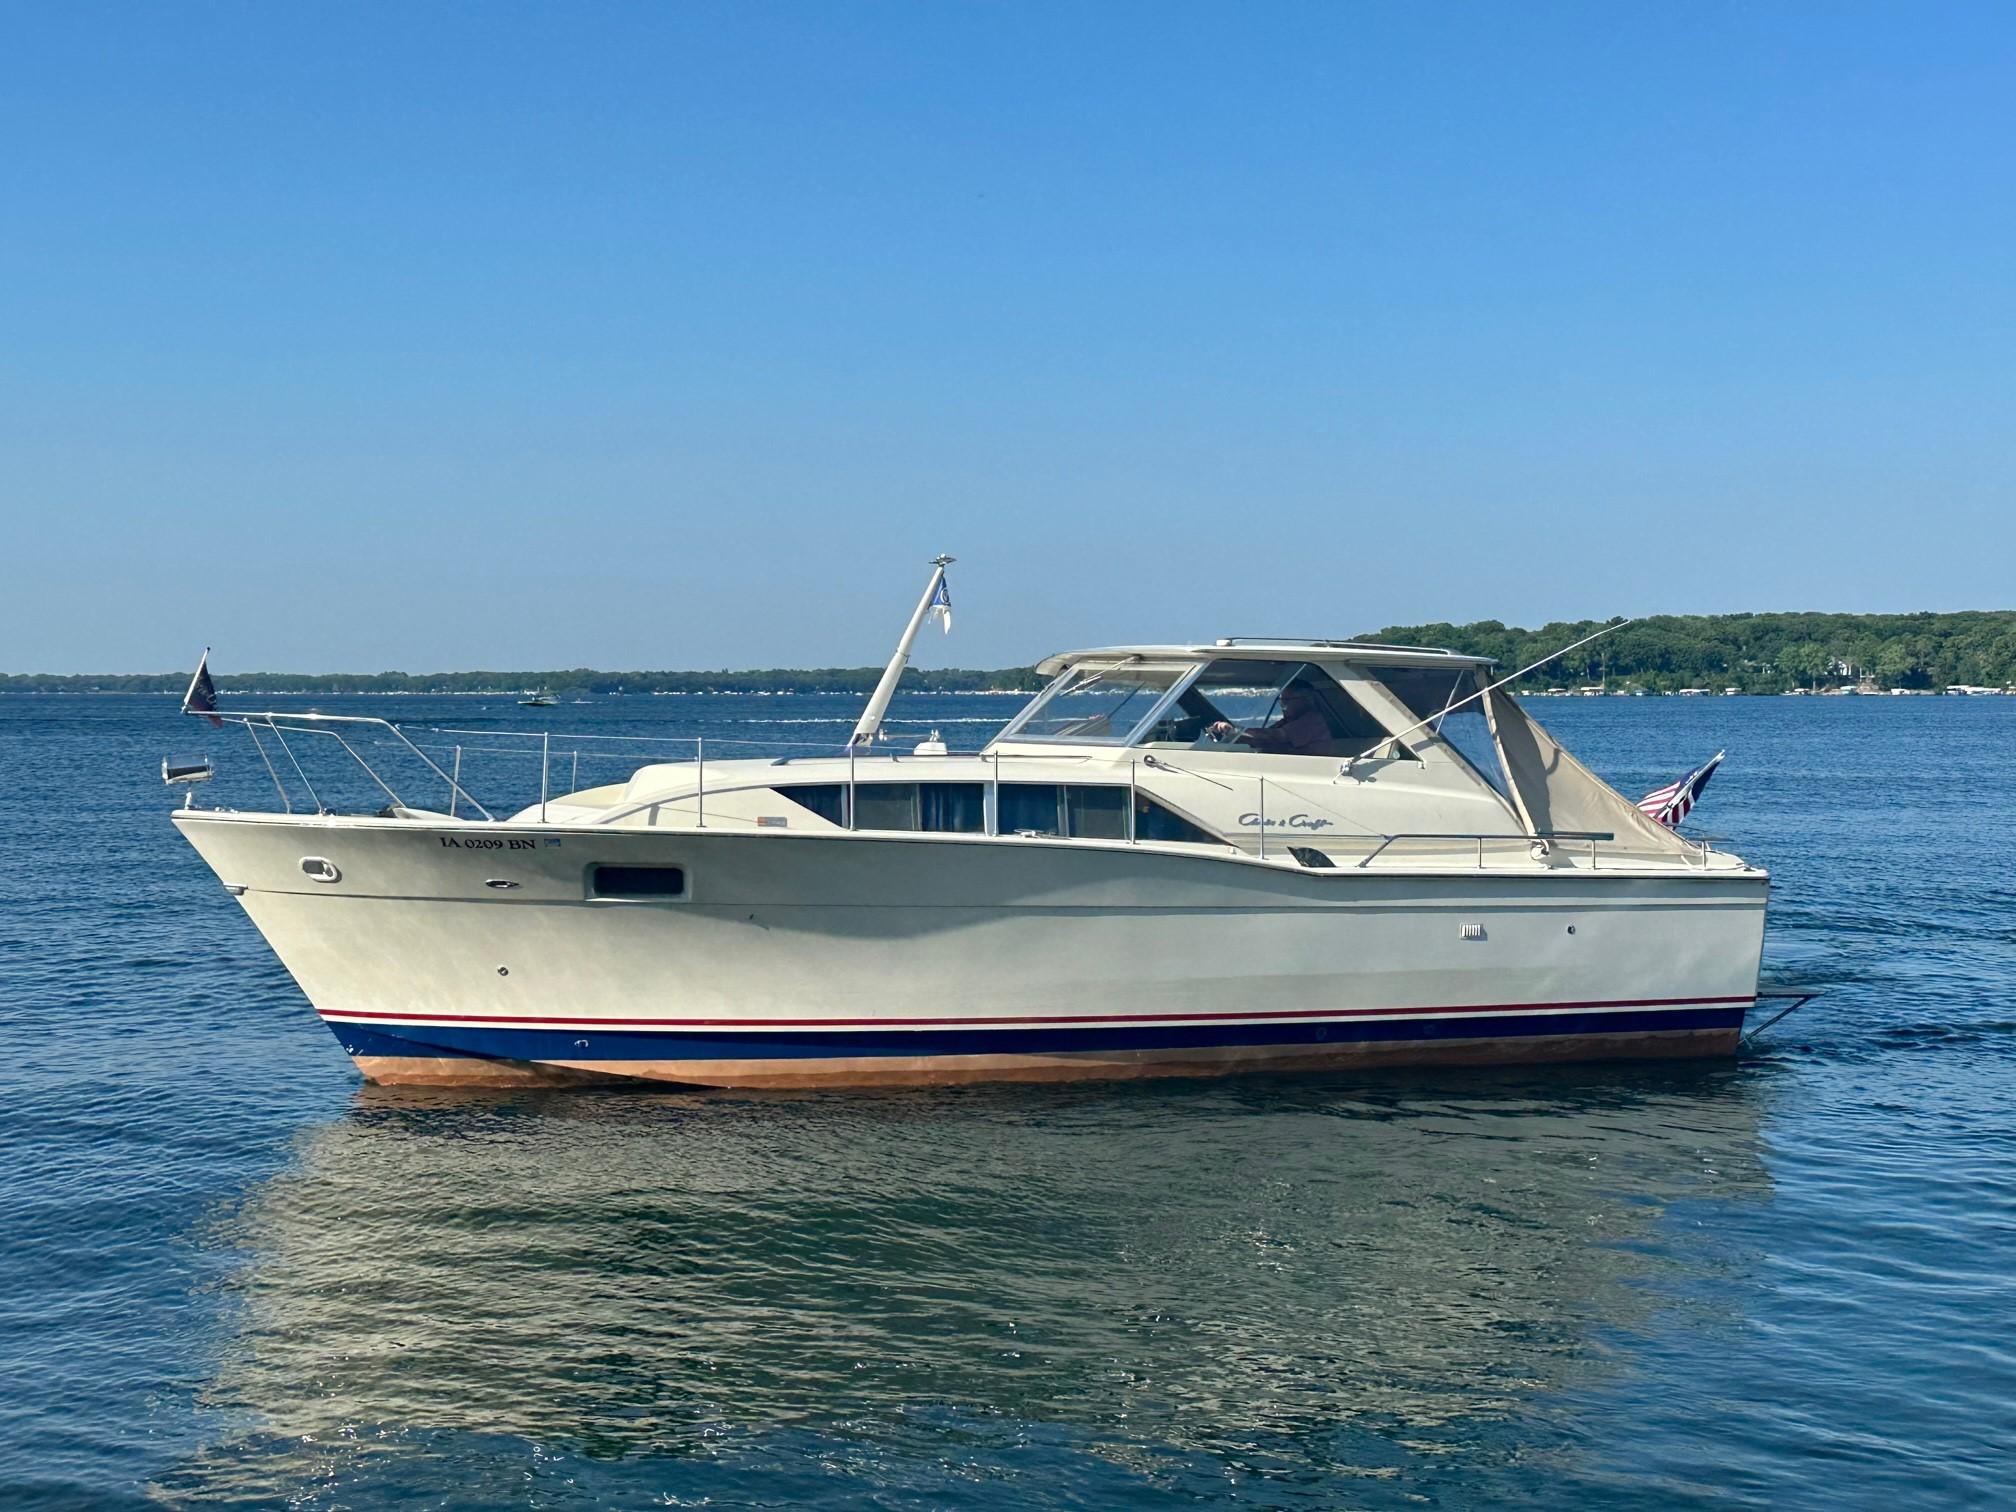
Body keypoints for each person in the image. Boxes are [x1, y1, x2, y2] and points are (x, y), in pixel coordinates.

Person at [1208, 680, 1334, 755]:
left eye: (1287, 701)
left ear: (1306, 700)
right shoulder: (1289, 721)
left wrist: (1234, 731)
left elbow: (1272, 736)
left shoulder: (1311, 721)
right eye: (1281, 701)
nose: (1283, 706)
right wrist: (1230, 735)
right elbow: (1259, 738)